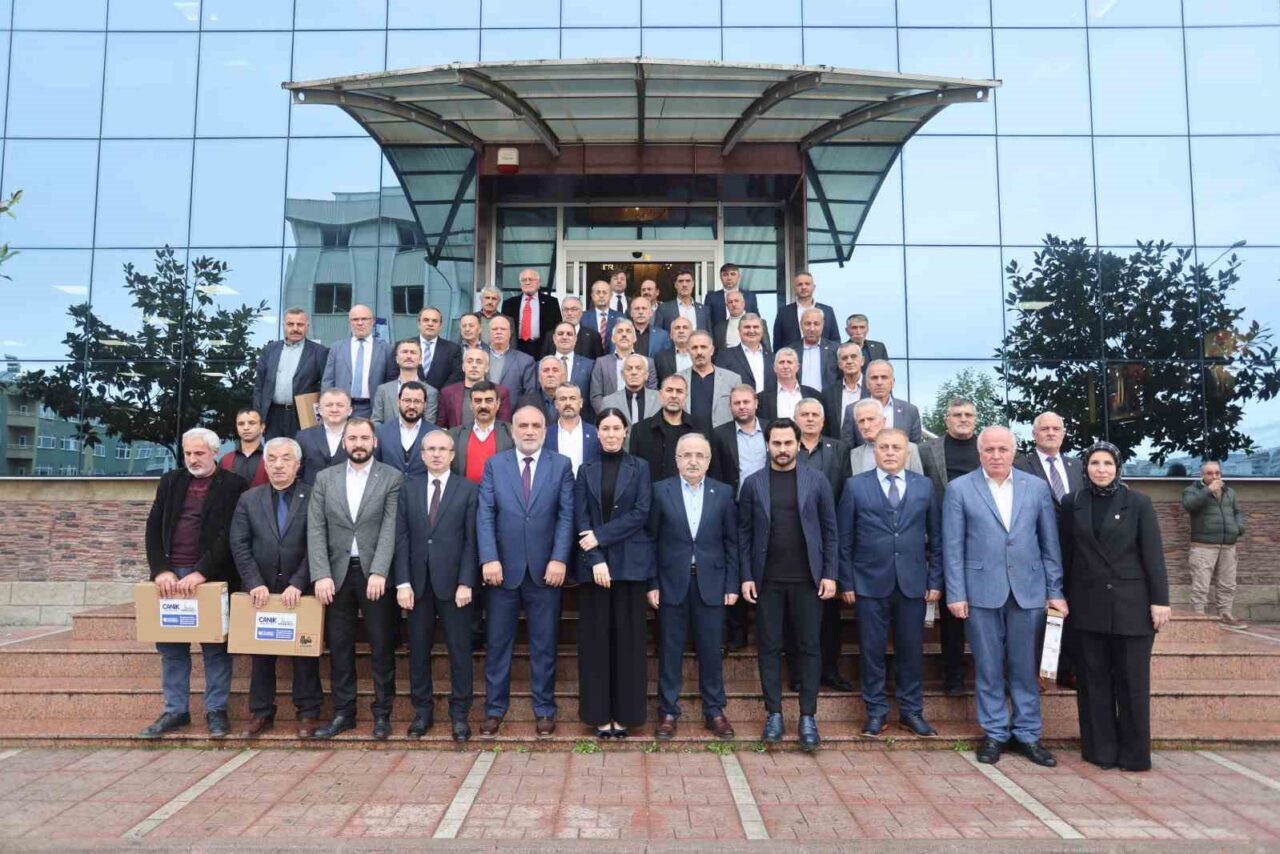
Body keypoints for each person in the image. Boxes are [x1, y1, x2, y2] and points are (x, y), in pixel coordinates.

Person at [943, 426, 1065, 767]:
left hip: (1029, 590)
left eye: (1003, 449)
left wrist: (1055, 590)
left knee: (1025, 667)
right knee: (988, 666)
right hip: (980, 591)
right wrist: (956, 592)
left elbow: (1050, 544)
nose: (996, 455)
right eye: (989, 450)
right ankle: (995, 732)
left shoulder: (1036, 488)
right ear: (979, 453)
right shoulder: (959, 489)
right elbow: (952, 546)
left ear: (1014, 452)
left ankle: (1027, 734)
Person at [1061, 442, 1171, 772]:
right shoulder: (1072, 502)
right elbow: (1067, 554)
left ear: (1118, 467)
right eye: (1095, 463)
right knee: (1093, 682)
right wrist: (1060, 596)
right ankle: (1100, 751)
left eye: (1108, 463)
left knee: (1132, 682)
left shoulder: (1138, 503)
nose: (1101, 469)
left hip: (1131, 607)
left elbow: (1153, 554)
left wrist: (1160, 600)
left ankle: (1134, 755)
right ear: (1085, 467)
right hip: (1087, 605)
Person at [139, 427, 249, 739]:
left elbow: (230, 535)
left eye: (199, 453)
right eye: (188, 453)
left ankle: (216, 710)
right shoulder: (170, 482)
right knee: (172, 648)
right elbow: (153, 527)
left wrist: (201, 572)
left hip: (210, 578)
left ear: (214, 452)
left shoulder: (234, 485)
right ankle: (175, 711)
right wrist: (160, 570)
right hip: (170, 577)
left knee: (216, 648)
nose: (192, 459)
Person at [739, 419, 839, 752]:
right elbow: (743, 535)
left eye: (788, 443)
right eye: (776, 443)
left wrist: (830, 573)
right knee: (768, 647)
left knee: (810, 647)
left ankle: (808, 717)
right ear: (767, 445)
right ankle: (774, 715)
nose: (782, 449)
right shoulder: (752, 484)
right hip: (766, 580)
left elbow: (831, 531)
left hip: (808, 580)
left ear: (798, 444)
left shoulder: (817, 480)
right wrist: (746, 576)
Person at [477, 406, 576, 738]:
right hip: (502, 571)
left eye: (536, 425)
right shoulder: (495, 465)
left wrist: (559, 559)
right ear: (512, 431)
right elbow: (485, 513)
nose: (530, 431)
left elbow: (566, 515)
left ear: (545, 431)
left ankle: (544, 709)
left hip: (546, 571)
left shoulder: (561, 465)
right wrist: (488, 558)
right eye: (523, 426)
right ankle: (494, 709)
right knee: (498, 643)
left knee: (544, 644)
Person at [838, 428, 943, 738]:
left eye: (896, 447)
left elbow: (938, 539)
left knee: (911, 650)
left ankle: (911, 712)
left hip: (912, 583)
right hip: (868, 583)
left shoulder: (924, 486)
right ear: (875, 452)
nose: (890, 452)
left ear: (907, 452)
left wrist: (935, 579)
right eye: (883, 447)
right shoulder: (855, 486)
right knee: (871, 651)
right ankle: (876, 711)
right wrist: (847, 582)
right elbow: (844, 539)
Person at [308, 418, 403, 740]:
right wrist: (321, 574)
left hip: (375, 574)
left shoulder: (391, 477)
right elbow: (316, 528)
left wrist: (380, 570)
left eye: (364, 438)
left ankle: (382, 714)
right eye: (352, 438)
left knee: (381, 645)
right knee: (339, 646)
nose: (358, 443)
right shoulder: (325, 478)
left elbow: (391, 527)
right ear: (344, 442)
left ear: (375, 442)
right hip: (335, 575)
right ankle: (343, 713)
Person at [228, 436, 322, 739]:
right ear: (265, 465)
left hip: (300, 590)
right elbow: (239, 544)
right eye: (272, 459)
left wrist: (299, 582)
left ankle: (308, 713)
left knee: (305, 655)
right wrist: (254, 583)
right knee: (261, 654)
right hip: (262, 590)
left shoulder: (314, 496)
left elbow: (318, 544)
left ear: (298, 464)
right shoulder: (249, 499)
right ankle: (261, 713)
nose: (278, 465)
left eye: (285, 459)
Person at [649, 432, 739, 740]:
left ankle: (714, 711)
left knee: (711, 650)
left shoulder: (723, 493)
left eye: (700, 455)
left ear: (709, 461)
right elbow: (651, 540)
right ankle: (667, 711)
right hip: (671, 582)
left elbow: (731, 542)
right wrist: (652, 583)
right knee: (670, 650)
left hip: (712, 583)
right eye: (686, 455)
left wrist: (732, 584)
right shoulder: (660, 491)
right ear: (677, 460)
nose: (693, 461)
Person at [394, 430, 479, 742]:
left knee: (460, 650)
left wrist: (466, 581)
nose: (436, 454)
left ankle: (460, 715)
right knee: (418, 651)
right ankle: (422, 712)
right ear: (422, 454)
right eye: (430, 449)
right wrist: (402, 582)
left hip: (455, 586)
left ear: (452, 455)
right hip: (417, 585)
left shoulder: (468, 489)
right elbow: (401, 538)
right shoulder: (408, 489)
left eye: (442, 449)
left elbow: (472, 540)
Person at [575, 409, 653, 739]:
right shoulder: (585, 469)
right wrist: (595, 559)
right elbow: (581, 518)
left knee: (628, 644)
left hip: (630, 567)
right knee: (596, 644)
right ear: (597, 433)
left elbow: (641, 513)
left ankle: (626, 715)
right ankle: (598, 715)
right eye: (605, 428)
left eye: (616, 428)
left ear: (625, 431)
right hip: (594, 568)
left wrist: (600, 537)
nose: (610, 434)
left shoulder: (640, 467)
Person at [1015, 410, 1085, 688]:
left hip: (1074, 550)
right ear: (1034, 434)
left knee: (1070, 609)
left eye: (1056, 429)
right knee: (1039, 612)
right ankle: (1039, 670)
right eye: (1045, 429)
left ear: (1063, 434)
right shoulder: (1020, 465)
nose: (1051, 433)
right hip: (1034, 549)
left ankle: (1067, 667)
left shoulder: (1078, 466)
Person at [920, 396, 981, 695]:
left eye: (968, 414)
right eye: (957, 414)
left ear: (976, 420)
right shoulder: (926, 450)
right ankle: (953, 675)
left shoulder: (987, 448)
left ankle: (988, 673)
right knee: (951, 611)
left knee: (985, 610)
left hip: (982, 538)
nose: (963, 419)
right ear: (946, 420)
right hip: (944, 537)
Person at [792, 398, 853, 692]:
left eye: (815, 414)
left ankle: (830, 670)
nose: (810, 419)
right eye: (804, 414)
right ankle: (798, 674)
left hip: (829, 538)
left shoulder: (839, 449)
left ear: (824, 420)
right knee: (795, 614)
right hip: (794, 542)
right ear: (796, 419)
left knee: (829, 613)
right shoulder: (787, 448)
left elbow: (846, 491)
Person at [710, 384, 768, 651]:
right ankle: (737, 632)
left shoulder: (771, 430)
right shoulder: (719, 434)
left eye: (746, 402)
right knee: (735, 563)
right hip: (733, 507)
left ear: (756, 403)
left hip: (769, 508)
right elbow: (717, 473)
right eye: (737, 403)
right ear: (730, 406)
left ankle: (768, 632)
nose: (742, 406)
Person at [1183, 460, 1247, 626]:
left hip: (1228, 545)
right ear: (1202, 475)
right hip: (1203, 546)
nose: (1214, 476)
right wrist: (1208, 490)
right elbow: (1189, 506)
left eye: (1217, 473)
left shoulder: (1229, 491)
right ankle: (1198, 619)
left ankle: (1225, 614)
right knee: (1201, 585)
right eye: (1210, 473)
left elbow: (1237, 512)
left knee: (1228, 583)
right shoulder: (1191, 490)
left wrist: (1239, 528)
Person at [253, 307, 328, 439]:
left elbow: (326, 387)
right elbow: (259, 387)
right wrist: (258, 416)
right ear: (283, 326)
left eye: (300, 324)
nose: (295, 328)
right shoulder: (269, 350)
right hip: (273, 415)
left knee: (302, 451)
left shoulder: (320, 352)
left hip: (304, 416)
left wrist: (321, 416)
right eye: (290, 324)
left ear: (307, 326)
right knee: (274, 450)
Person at [629, 374, 713, 483]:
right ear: (660, 395)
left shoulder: (701, 428)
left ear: (686, 397)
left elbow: (711, 470)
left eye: (679, 391)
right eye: (669, 390)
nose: (674, 395)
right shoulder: (640, 430)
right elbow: (634, 473)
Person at [321, 304, 395, 419]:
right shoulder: (337, 348)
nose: (360, 323)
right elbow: (328, 381)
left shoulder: (386, 349)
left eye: (364, 319)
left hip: (374, 409)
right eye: (355, 319)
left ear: (373, 321)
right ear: (349, 323)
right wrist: (328, 406)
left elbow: (390, 383)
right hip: (341, 408)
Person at [449, 381, 514, 483]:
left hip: (499, 492)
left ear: (497, 404)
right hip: (465, 492)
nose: (483, 406)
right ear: (471, 404)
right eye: (478, 401)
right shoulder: (455, 434)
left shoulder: (511, 433)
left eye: (489, 400)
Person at [844, 361, 921, 446]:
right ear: (867, 383)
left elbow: (915, 447)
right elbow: (848, 447)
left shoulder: (910, 411)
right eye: (874, 378)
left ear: (892, 382)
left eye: (884, 377)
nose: (879, 382)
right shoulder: (852, 410)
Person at [374, 381, 440, 479]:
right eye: (407, 400)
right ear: (398, 402)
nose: (412, 406)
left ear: (425, 405)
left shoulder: (435, 434)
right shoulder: (381, 432)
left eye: (417, 401)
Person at [589, 320, 657, 412]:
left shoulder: (648, 362)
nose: (624, 334)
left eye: (628, 331)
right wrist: (610, 416)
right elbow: (596, 396)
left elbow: (652, 394)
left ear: (634, 338)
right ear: (613, 338)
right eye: (620, 331)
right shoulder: (601, 363)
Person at [438, 348, 514, 429]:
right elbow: (441, 426)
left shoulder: (501, 392)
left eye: (479, 362)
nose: (474, 365)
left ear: (487, 368)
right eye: (469, 361)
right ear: (463, 366)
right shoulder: (448, 393)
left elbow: (504, 426)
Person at [679, 331, 741, 428]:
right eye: (694, 348)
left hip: (722, 436)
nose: (699, 352)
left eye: (703, 347)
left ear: (712, 350)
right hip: (688, 435)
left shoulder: (732, 379)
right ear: (688, 351)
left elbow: (740, 413)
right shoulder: (678, 379)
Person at [372, 339, 440, 426]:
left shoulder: (431, 392)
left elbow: (429, 425)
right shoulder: (383, 390)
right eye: (404, 352)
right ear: (397, 359)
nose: (408, 356)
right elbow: (376, 422)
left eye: (413, 352)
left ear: (420, 360)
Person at [847, 399, 924, 475]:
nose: (866, 426)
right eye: (861, 421)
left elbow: (918, 481)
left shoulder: (910, 448)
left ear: (883, 421)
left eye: (871, 419)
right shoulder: (854, 454)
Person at [502, 267, 563, 358]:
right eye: (524, 280)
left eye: (530, 279)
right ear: (520, 284)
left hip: (543, 349)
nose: (527, 282)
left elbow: (557, 328)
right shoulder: (509, 303)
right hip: (516, 349)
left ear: (539, 283)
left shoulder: (551, 302)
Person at [773, 270, 840, 350]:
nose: (804, 287)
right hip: (792, 356)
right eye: (800, 284)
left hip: (823, 356)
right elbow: (777, 344)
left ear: (814, 287)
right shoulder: (784, 312)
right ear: (794, 288)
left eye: (807, 284)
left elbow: (835, 341)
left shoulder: (827, 311)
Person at [296, 388, 351, 485]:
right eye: (329, 405)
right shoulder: (303, 437)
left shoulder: (361, 438)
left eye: (340, 405)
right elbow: (297, 472)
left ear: (349, 410)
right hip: (312, 492)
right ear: (319, 410)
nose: (334, 409)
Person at [544, 383, 600, 475]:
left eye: (572, 398)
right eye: (563, 399)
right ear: (556, 404)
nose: (568, 403)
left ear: (581, 403)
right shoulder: (545, 435)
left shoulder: (595, 433)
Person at [600, 353, 659, 439]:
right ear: (622, 375)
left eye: (638, 368)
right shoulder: (608, 402)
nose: (634, 372)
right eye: (629, 369)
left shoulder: (660, 399)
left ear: (646, 375)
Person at [715, 313, 774, 394]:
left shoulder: (773, 358)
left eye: (756, 327)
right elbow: (720, 388)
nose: (751, 331)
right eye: (747, 327)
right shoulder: (725, 357)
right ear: (739, 331)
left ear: (762, 330)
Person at [757, 348, 819, 422]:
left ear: (797, 367)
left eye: (789, 362)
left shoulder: (814, 395)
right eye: (781, 362)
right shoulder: (762, 398)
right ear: (774, 368)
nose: (785, 366)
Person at [544, 321, 596, 409]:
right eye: (560, 333)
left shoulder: (590, 365)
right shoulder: (541, 365)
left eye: (569, 334)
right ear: (554, 338)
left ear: (575, 339)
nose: (564, 337)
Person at [486, 315, 538, 400]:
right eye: (494, 329)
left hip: (513, 408)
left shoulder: (525, 361)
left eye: (503, 329)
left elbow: (530, 395)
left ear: (510, 333)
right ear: (488, 333)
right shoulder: (477, 358)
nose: (498, 332)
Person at [822, 343, 866, 439]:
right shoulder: (828, 393)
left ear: (862, 361)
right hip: (839, 445)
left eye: (853, 357)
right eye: (844, 358)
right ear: (839, 365)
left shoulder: (873, 387)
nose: (849, 361)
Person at [416, 305, 464, 391]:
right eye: (426, 320)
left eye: (435, 321)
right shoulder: (403, 346)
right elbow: (394, 374)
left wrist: (439, 394)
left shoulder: (453, 349)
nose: (430, 324)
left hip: (441, 397)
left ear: (440, 325)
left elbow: (456, 377)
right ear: (419, 324)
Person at [219, 408, 268, 487]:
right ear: (237, 427)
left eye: (252, 423)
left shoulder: (271, 459)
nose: (246, 428)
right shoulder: (225, 460)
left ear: (262, 427)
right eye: (241, 424)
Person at [797, 308, 839, 393]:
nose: (812, 329)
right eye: (807, 324)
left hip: (827, 399)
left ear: (822, 325)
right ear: (801, 325)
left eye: (816, 324)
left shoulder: (835, 349)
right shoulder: (791, 351)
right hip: (799, 398)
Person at [549, 296, 604, 360]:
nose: (569, 313)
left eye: (574, 309)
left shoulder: (593, 336)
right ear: (562, 312)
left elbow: (600, 363)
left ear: (581, 313)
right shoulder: (550, 335)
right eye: (566, 309)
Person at [518, 355, 568, 424]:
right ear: (539, 377)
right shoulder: (526, 402)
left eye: (555, 370)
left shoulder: (572, 401)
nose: (550, 374)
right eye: (546, 370)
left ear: (563, 377)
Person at [654, 317, 694, 382]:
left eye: (685, 327)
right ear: (671, 335)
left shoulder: (699, 354)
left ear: (692, 334)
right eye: (677, 328)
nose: (681, 331)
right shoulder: (660, 357)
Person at [582, 280, 620, 348]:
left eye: (604, 292)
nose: (601, 295)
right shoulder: (582, 317)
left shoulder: (620, 317)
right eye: (598, 292)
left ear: (611, 295)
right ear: (592, 296)